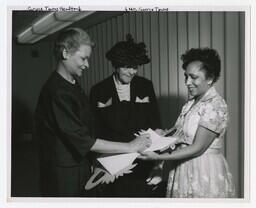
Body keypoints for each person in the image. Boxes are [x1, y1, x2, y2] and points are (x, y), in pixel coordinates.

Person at [34, 28, 151, 197]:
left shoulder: (72, 83)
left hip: (80, 166)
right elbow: (84, 140)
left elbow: (89, 126)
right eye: (83, 58)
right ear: (65, 53)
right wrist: (130, 146)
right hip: (64, 175)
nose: (87, 65)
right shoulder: (57, 92)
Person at [139, 48, 236, 198]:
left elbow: (197, 148)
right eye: (186, 76)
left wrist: (158, 158)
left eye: (193, 77)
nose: (187, 82)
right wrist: (162, 135)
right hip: (182, 168)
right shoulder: (191, 103)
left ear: (210, 78)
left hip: (203, 171)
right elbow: (179, 134)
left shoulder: (215, 105)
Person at [89, 34, 162, 197]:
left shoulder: (145, 86)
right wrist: (95, 161)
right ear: (115, 65)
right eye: (127, 66)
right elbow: (93, 131)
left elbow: (156, 122)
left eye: (135, 67)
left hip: (142, 159)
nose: (132, 71)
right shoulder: (98, 90)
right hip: (112, 160)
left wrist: (158, 163)